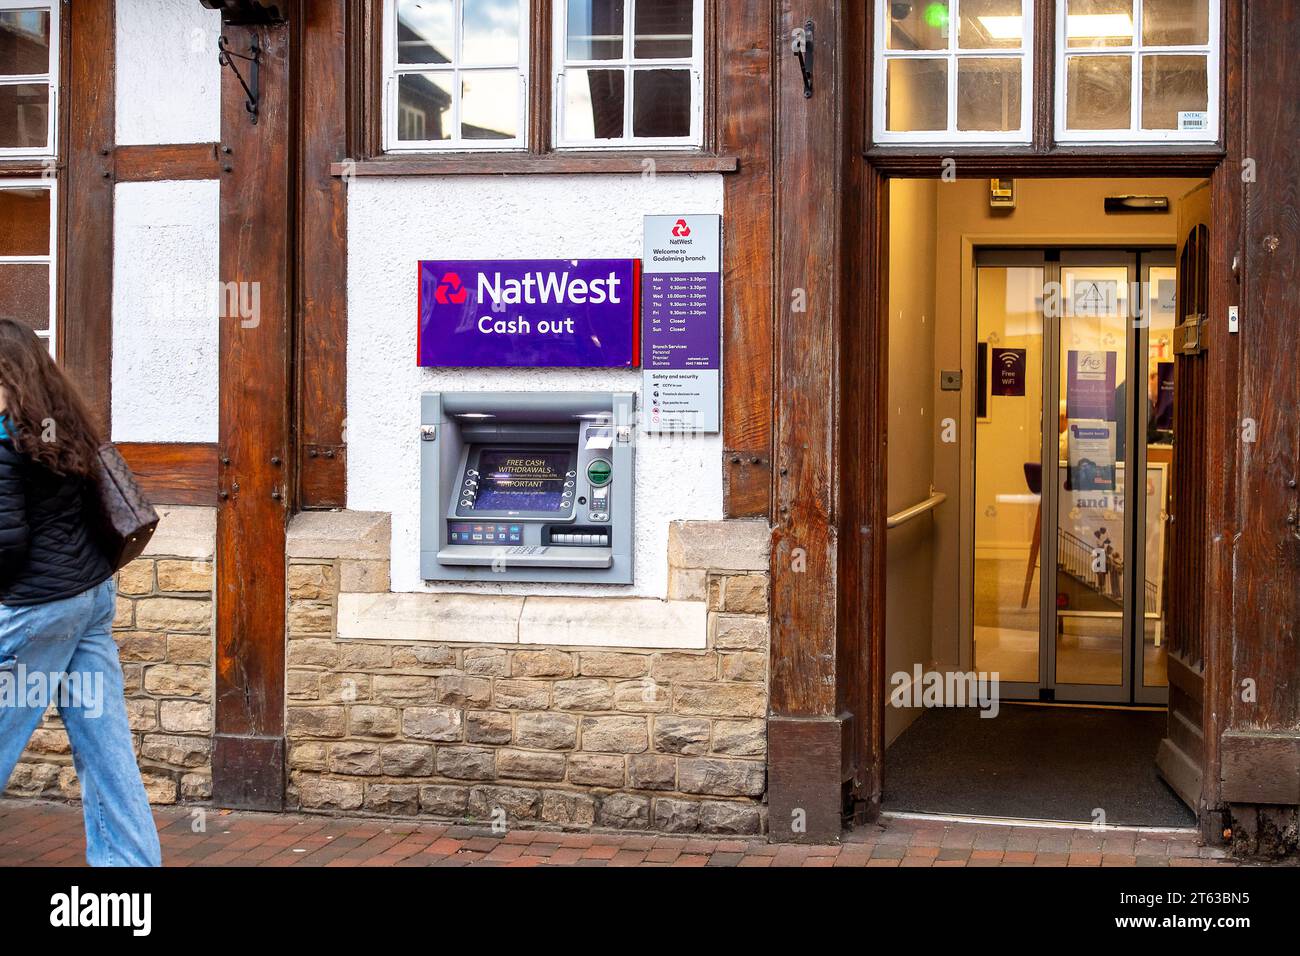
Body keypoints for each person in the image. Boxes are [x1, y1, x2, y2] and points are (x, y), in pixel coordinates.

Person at [0, 318, 161, 866]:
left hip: (34, 610)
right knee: (107, 751)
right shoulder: (63, 423)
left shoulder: (4, 435)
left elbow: (7, 542)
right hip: (89, 600)